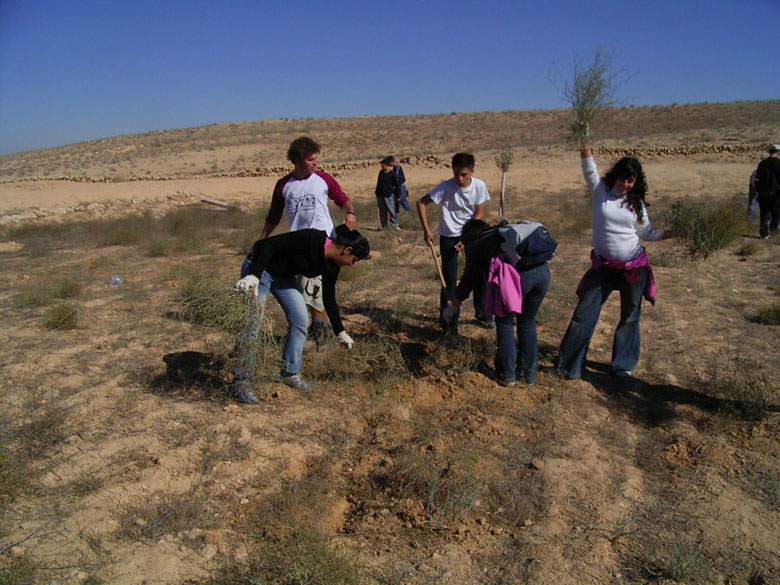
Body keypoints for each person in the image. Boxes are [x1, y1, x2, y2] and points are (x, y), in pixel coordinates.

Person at [556, 140, 673, 380]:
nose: (625, 185)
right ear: (614, 177)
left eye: (630, 181)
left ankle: (623, 365)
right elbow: (589, 168)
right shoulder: (600, 192)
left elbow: (646, 233)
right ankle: (569, 365)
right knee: (584, 313)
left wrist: (675, 232)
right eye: (622, 179)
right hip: (603, 267)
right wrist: (584, 139)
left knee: (630, 316)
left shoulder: (636, 204)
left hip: (633, 268)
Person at [229, 225, 370, 404]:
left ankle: (290, 372)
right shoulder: (312, 238)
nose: (352, 265)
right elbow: (268, 245)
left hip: (283, 277)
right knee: (253, 324)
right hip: (260, 268)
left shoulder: (331, 265)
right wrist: (254, 276)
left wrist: (340, 331)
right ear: (347, 250)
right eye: (354, 259)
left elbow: (329, 298)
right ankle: (240, 381)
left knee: (300, 319)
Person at [256, 136, 357, 344]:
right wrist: (261, 240)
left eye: (316, 158)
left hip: (325, 242)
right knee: (308, 290)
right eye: (311, 159)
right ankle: (321, 330)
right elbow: (274, 216)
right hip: (298, 244)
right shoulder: (283, 185)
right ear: (298, 159)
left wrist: (351, 212)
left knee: (321, 288)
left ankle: (324, 333)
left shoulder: (323, 179)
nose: (315, 163)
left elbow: (342, 199)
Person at [442, 219, 551, 386]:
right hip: (543, 274)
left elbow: (469, 279)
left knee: (504, 323)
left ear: (469, 240)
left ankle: (507, 375)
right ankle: (529, 375)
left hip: (521, 278)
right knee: (527, 322)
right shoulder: (501, 234)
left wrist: (453, 306)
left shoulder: (479, 245)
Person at [416, 152, 491, 332]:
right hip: (448, 235)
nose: (459, 178)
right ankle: (449, 322)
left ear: (472, 171)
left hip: (471, 235)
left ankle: (483, 314)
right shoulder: (446, 187)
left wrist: (467, 239)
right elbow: (421, 203)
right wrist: (427, 231)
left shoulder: (479, 186)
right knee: (449, 279)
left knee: (480, 274)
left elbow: (479, 213)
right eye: (456, 173)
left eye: (463, 174)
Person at [755, 144, 780, 239]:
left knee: (764, 213)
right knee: (776, 213)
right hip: (775, 193)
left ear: (770, 152)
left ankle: (764, 233)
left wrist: (757, 192)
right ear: (778, 153)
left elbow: (757, 179)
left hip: (762, 193)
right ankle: (773, 231)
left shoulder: (762, 164)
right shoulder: (778, 163)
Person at [375, 156, 402, 230]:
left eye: (383, 165)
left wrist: (398, 195)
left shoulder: (392, 174)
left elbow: (397, 185)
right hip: (380, 195)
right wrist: (376, 193)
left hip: (389, 195)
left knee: (391, 210)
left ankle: (395, 225)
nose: (382, 166)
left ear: (387, 165)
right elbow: (378, 183)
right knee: (382, 211)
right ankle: (384, 225)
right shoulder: (381, 173)